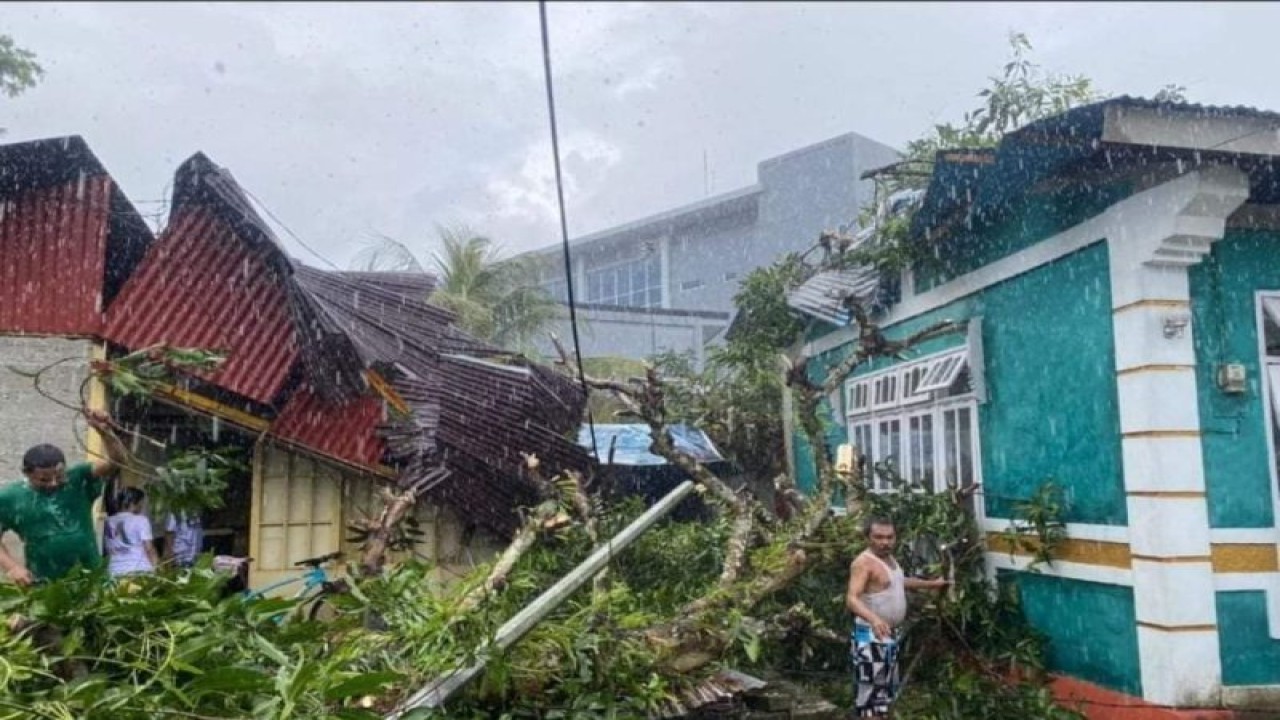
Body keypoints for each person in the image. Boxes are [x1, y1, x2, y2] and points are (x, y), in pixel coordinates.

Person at [0, 409, 127, 586]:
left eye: (59, 476)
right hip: (46, 585)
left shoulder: (78, 478)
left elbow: (116, 461)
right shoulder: (10, 498)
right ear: (26, 474)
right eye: (44, 479)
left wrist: (105, 432)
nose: (53, 483)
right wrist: (12, 567)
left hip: (93, 581)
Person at [845, 515, 950, 718]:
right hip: (870, 637)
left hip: (889, 635)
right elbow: (851, 598)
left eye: (889, 537)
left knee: (884, 696)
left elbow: (898, 581)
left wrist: (931, 584)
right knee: (870, 698)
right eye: (879, 537)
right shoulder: (863, 563)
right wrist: (874, 619)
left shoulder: (890, 560)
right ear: (868, 537)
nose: (885, 542)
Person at [104, 487, 158, 578]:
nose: (142, 506)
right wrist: (156, 568)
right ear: (133, 503)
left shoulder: (108, 521)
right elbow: (149, 549)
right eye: (141, 503)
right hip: (138, 570)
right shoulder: (141, 520)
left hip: (114, 571)